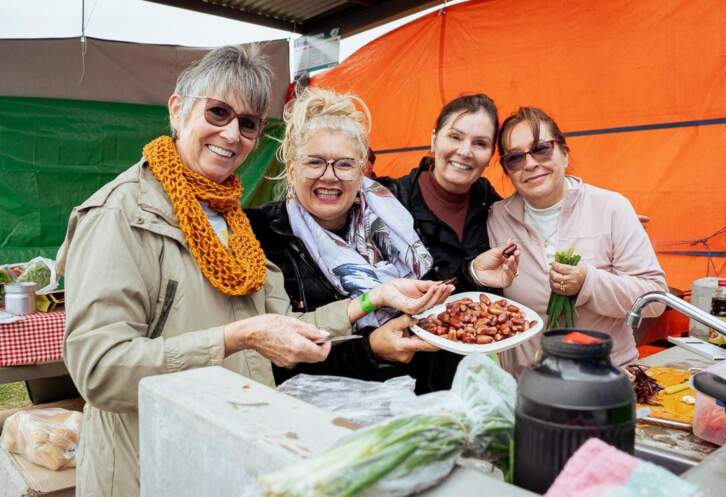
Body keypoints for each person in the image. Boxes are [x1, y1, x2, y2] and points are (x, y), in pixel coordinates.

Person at [56, 46, 449, 497]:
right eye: (218, 112)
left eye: (248, 123)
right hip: (148, 468)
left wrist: (374, 298)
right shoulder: (122, 214)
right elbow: (100, 369)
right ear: (178, 110)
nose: (231, 134)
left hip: (227, 457)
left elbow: (285, 327)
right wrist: (236, 337)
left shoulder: (231, 219)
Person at [246, 88, 514, 391]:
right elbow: (273, 355)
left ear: (361, 171)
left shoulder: (393, 217)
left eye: (344, 164)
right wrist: (370, 349)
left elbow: (427, 302)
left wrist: (473, 274)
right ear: (292, 168)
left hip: (410, 399)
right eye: (315, 162)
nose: (330, 176)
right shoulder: (262, 232)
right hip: (316, 409)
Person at [488, 106, 667, 376]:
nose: (530, 163)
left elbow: (654, 300)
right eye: (515, 157)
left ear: (564, 153)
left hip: (605, 376)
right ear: (507, 170)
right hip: (529, 382)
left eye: (541, 149)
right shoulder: (496, 218)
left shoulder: (611, 207)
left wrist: (588, 283)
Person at [377, 93, 519, 392]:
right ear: (434, 140)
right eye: (455, 137)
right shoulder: (389, 201)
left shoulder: (491, 205)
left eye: (480, 143)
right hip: (400, 379)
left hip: (465, 379)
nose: (465, 151)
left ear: (490, 155)